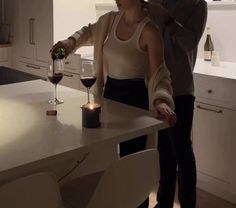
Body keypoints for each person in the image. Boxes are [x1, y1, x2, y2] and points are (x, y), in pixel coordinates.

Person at [52, 0, 176, 207]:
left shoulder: (150, 31)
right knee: (105, 159)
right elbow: (87, 32)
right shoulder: (110, 20)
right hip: (109, 99)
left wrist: (162, 100)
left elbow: (160, 75)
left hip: (134, 105)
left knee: (133, 166)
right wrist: (70, 43)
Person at [146, 0, 208, 207]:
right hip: (157, 89)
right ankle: (164, 201)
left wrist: (166, 19)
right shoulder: (156, 3)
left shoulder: (197, 5)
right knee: (164, 150)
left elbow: (189, 42)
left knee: (182, 150)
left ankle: (188, 203)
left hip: (181, 88)